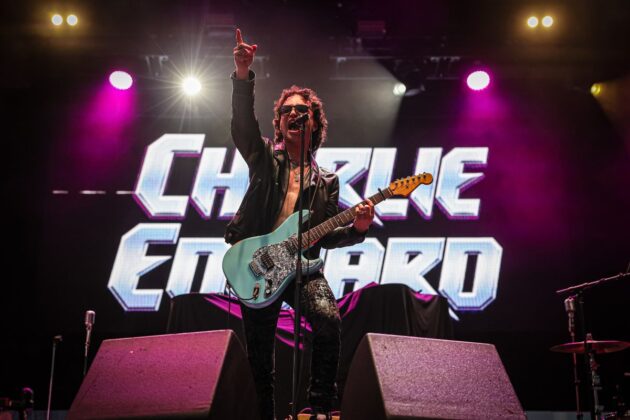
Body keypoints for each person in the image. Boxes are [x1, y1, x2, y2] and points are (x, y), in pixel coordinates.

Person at [225, 29, 375, 420]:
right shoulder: (264, 159)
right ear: (279, 122)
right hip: (257, 264)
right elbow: (242, 125)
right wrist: (243, 74)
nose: (295, 114)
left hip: (303, 269)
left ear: (314, 123)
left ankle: (321, 409)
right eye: (288, 110)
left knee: (328, 321)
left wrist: (358, 228)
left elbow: (327, 234)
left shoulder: (327, 180)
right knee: (260, 356)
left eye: (302, 111)